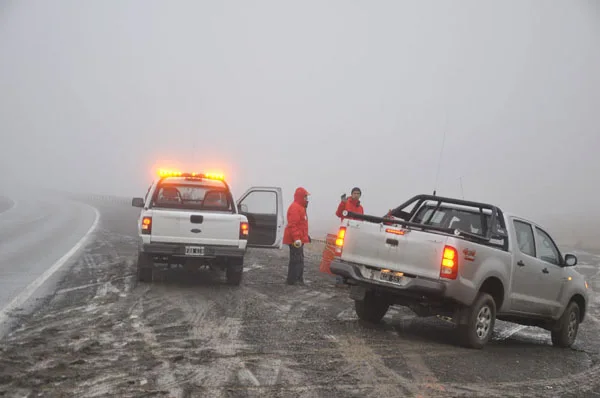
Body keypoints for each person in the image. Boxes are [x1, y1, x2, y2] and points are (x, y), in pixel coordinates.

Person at [333, 187, 364, 286]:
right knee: (341, 257)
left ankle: (351, 280)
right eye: (354, 193)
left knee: (353, 258)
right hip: (345, 234)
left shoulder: (361, 208)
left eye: (358, 193)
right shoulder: (346, 203)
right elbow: (338, 214)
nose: (356, 195)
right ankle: (339, 280)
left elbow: (361, 222)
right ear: (351, 194)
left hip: (355, 235)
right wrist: (342, 203)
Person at [283, 187, 311, 285]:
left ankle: (298, 279)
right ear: (300, 197)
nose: (307, 199)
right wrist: (297, 239)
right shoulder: (295, 207)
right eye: (305, 197)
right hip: (294, 240)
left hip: (298, 239)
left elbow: (301, 226)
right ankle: (293, 280)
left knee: (299, 259)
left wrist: (306, 237)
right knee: (296, 260)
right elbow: (292, 225)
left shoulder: (301, 207)